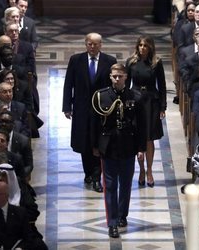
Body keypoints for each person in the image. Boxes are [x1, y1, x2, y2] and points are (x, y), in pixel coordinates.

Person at [91, 63, 147, 238]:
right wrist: (94, 146)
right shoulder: (101, 96)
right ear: (110, 77)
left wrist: (141, 148)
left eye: (120, 76)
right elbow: (94, 124)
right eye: (114, 76)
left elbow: (141, 126)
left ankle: (123, 215)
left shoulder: (135, 97)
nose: (117, 79)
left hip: (128, 146)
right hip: (108, 146)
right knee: (110, 185)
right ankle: (112, 222)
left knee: (126, 184)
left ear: (126, 77)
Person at [62, 32, 117, 193]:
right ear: (85, 44)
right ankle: (88, 173)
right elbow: (68, 84)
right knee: (84, 143)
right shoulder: (76, 60)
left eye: (95, 44)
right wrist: (67, 106)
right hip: (81, 109)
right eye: (89, 44)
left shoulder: (109, 61)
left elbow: (113, 85)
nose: (92, 47)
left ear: (101, 45)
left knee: (99, 143)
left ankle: (96, 176)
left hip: (102, 109)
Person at [125, 35, 167, 187]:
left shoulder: (156, 63)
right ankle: (141, 169)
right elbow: (126, 84)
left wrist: (163, 107)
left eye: (145, 46)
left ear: (150, 48)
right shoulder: (131, 62)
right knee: (138, 137)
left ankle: (149, 170)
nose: (142, 48)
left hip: (151, 102)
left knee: (149, 138)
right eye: (140, 45)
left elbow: (162, 86)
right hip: (136, 100)